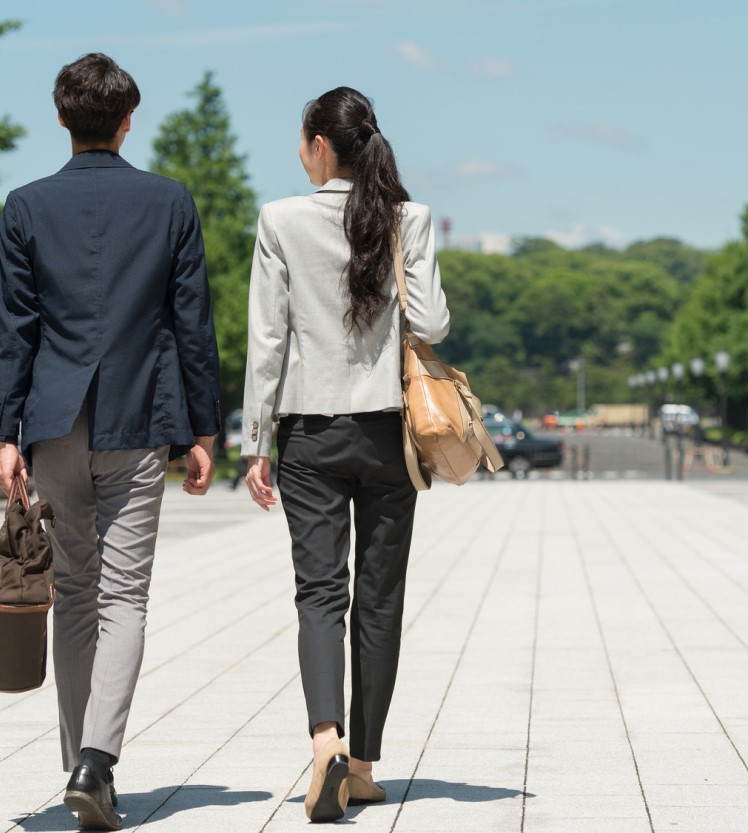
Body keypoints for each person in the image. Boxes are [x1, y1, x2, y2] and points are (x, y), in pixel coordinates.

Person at [0, 53, 222, 832]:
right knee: (124, 596)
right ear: (128, 120)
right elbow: (191, 322)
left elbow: (14, 331)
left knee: (76, 594)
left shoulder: (25, 206)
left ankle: (82, 764)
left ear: (61, 118)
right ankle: (97, 762)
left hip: (53, 420)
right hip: (136, 415)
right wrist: (203, 427)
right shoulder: (168, 202)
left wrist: (5, 433)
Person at [240, 86, 449, 823]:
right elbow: (433, 320)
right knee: (379, 600)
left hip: (308, 432)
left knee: (319, 591)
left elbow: (268, 340)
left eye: (302, 142)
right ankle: (361, 766)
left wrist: (253, 441)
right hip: (388, 433)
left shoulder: (280, 220)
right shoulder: (408, 218)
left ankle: (323, 739)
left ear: (320, 146)